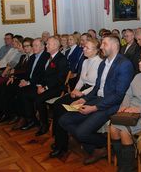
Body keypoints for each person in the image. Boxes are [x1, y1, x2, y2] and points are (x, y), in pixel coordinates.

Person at [50, 35, 134, 165]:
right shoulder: (104, 64)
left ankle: (106, 145)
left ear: (114, 45)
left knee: (81, 132)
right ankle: (99, 148)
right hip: (97, 99)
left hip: (111, 104)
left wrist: (94, 108)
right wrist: (83, 99)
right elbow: (96, 88)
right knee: (64, 120)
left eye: (104, 44)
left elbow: (118, 96)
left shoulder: (124, 64)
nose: (101, 46)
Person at [51, 38, 102, 137]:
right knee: (58, 104)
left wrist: (82, 93)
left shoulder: (100, 63)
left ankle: (63, 141)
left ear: (96, 50)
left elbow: (97, 85)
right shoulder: (85, 61)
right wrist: (75, 89)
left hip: (92, 93)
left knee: (64, 109)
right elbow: (81, 80)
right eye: (84, 47)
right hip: (81, 90)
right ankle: (59, 139)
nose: (84, 49)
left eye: (87, 47)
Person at [20, 37, 68, 136]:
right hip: (46, 86)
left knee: (38, 99)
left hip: (57, 88)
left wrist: (45, 88)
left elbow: (59, 79)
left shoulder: (61, 59)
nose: (46, 46)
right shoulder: (49, 57)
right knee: (25, 94)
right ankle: (32, 120)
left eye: (48, 44)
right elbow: (43, 75)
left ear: (55, 46)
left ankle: (44, 125)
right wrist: (39, 85)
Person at [11, 38, 50, 130]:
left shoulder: (46, 56)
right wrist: (23, 80)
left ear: (42, 47)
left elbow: (43, 74)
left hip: (39, 84)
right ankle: (24, 117)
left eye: (36, 46)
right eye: (33, 45)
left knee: (24, 93)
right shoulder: (33, 57)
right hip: (31, 82)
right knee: (17, 89)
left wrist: (28, 82)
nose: (34, 47)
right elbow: (28, 73)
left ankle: (31, 119)